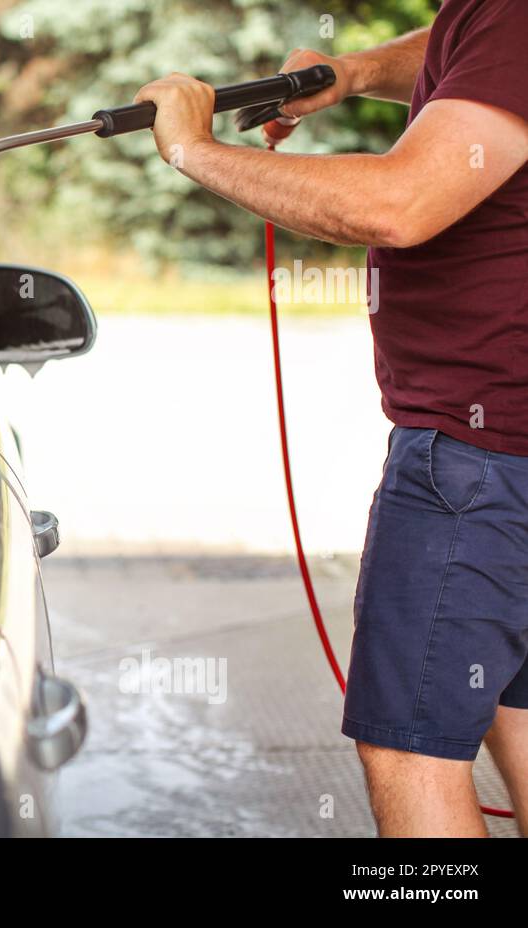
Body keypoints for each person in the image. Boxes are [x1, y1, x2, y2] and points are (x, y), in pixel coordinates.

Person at [135, 0, 528, 837]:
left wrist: (193, 148)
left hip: (482, 459)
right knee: (521, 716)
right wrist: (355, 74)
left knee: (413, 749)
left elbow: (400, 203)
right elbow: (470, 50)